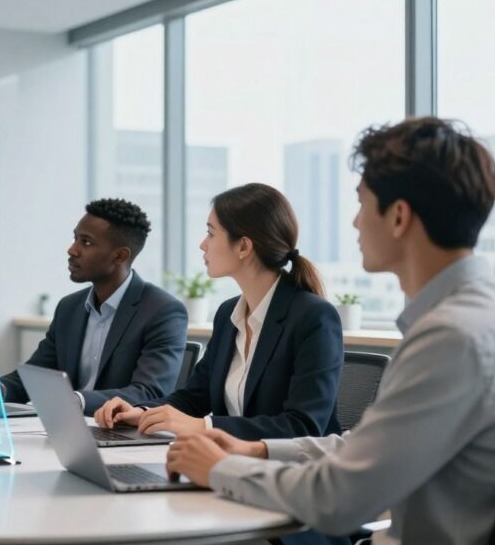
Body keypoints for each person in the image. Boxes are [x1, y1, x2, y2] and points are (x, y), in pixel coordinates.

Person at [167, 117, 495, 545]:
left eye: (362, 203)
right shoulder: (479, 316)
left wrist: (221, 470)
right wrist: (257, 448)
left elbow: (339, 499)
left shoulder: (452, 338)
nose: (354, 221)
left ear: (400, 216)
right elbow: (365, 448)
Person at [95, 184, 344, 442]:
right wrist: (141, 412)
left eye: (211, 233)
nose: (203, 245)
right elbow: (194, 397)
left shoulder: (313, 317)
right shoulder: (228, 314)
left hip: (294, 474)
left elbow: (303, 426)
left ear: (244, 247)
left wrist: (204, 427)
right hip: (233, 466)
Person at [0, 198, 188, 415]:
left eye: (86, 242)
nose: (72, 250)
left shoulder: (162, 310)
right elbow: (35, 377)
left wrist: (77, 400)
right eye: (75, 239)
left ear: (120, 255)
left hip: (121, 433)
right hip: (69, 427)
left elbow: (149, 392)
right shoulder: (69, 307)